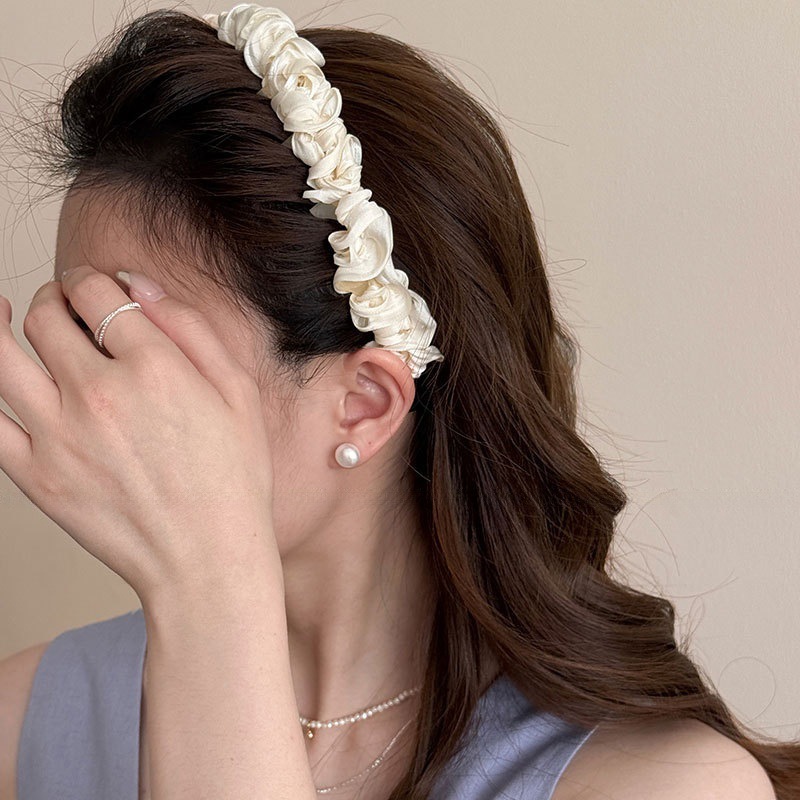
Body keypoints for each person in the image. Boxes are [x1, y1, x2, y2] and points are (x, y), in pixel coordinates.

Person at [0, 5, 796, 799]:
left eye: (135, 349)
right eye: (75, 331)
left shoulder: (664, 784)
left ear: (365, 404)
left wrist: (207, 592)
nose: (92, 403)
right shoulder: (24, 719)